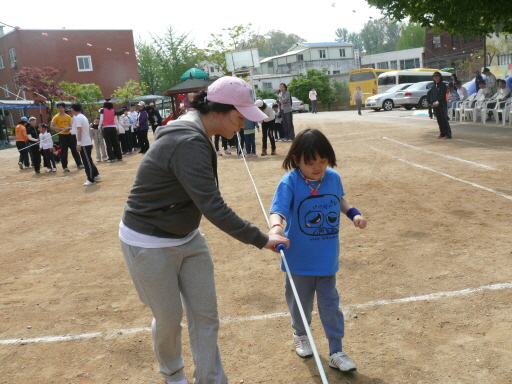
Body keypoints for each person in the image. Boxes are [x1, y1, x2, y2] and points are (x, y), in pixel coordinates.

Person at [119, 76, 289, 384]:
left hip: (188, 238)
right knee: (169, 319)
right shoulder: (188, 141)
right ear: (218, 110)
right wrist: (263, 239)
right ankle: (173, 375)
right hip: (148, 243)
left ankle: (211, 380)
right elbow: (214, 208)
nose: (243, 125)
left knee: (205, 317)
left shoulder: (198, 130)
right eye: (240, 118)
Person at [268, 128, 366, 373]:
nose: (317, 167)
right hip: (298, 261)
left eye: (322, 161)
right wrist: (276, 229)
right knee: (300, 303)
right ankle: (300, 334)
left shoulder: (333, 177)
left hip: (326, 259)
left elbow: (340, 200)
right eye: (311, 162)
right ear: (296, 159)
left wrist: (354, 214)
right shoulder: (289, 182)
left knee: (330, 305)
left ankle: (336, 351)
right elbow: (277, 210)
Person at [71, 103, 101, 186]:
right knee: (88, 160)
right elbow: (88, 130)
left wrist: (79, 143)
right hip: (86, 141)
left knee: (86, 161)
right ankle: (96, 174)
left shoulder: (78, 118)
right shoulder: (83, 117)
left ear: (73, 109)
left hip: (83, 143)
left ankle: (91, 179)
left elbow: (79, 130)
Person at [51, 102, 84, 172]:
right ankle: (65, 167)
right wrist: (61, 129)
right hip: (62, 135)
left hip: (70, 135)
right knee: (64, 152)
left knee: (74, 150)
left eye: (61, 107)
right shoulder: (56, 117)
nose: (60, 109)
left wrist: (68, 128)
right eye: (59, 108)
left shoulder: (68, 116)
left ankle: (79, 164)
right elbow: (51, 126)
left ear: (64, 108)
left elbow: (71, 125)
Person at [430, 72, 452, 139]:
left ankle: (447, 134)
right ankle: (442, 133)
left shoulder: (442, 85)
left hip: (441, 104)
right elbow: (432, 95)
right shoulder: (433, 86)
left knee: (444, 119)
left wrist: (437, 102)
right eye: (434, 76)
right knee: (439, 119)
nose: (435, 77)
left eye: (437, 76)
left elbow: (442, 95)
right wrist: (433, 102)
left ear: (440, 77)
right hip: (435, 105)